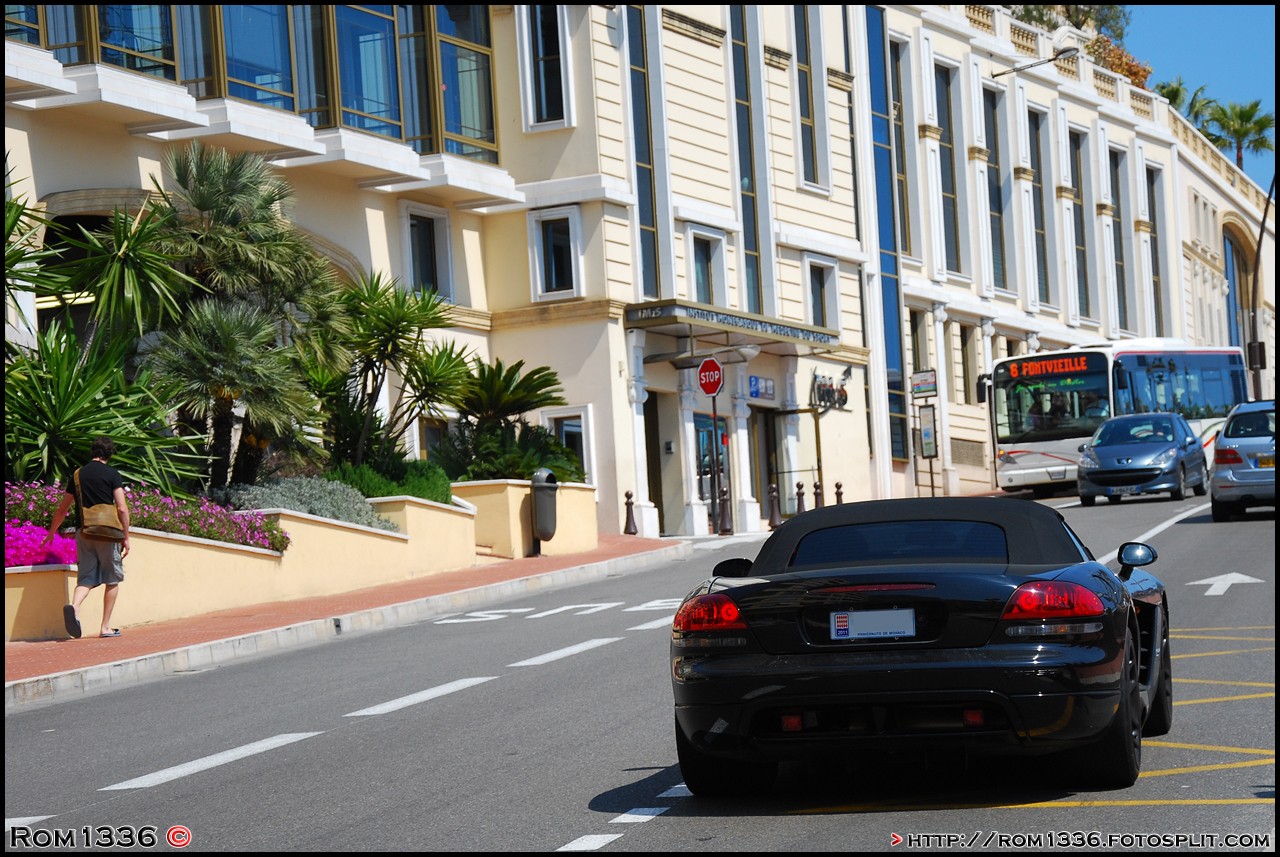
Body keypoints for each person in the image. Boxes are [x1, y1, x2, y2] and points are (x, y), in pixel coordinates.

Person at [42, 437, 132, 639]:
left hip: (85, 532)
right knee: (112, 578)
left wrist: (51, 532)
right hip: (108, 534)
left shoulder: (77, 475)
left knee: (86, 577)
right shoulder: (112, 474)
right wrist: (126, 537)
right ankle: (105, 627)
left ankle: (74, 607)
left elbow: (62, 509)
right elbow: (122, 508)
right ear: (109, 455)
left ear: (92, 452)